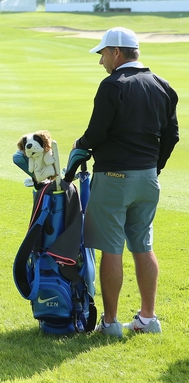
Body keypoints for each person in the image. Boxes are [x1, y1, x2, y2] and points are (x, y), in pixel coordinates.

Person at [74, 27, 179, 337]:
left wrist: (78, 147)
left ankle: (110, 323)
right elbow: (171, 136)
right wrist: (152, 168)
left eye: (103, 54)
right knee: (143, 246)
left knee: (111, 249)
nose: (101, 61)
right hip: (148, 180)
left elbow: (95, 135)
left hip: (114, 178)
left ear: (116, 53)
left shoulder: (111, 85)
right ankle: (148, 318)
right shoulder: (163, 85)